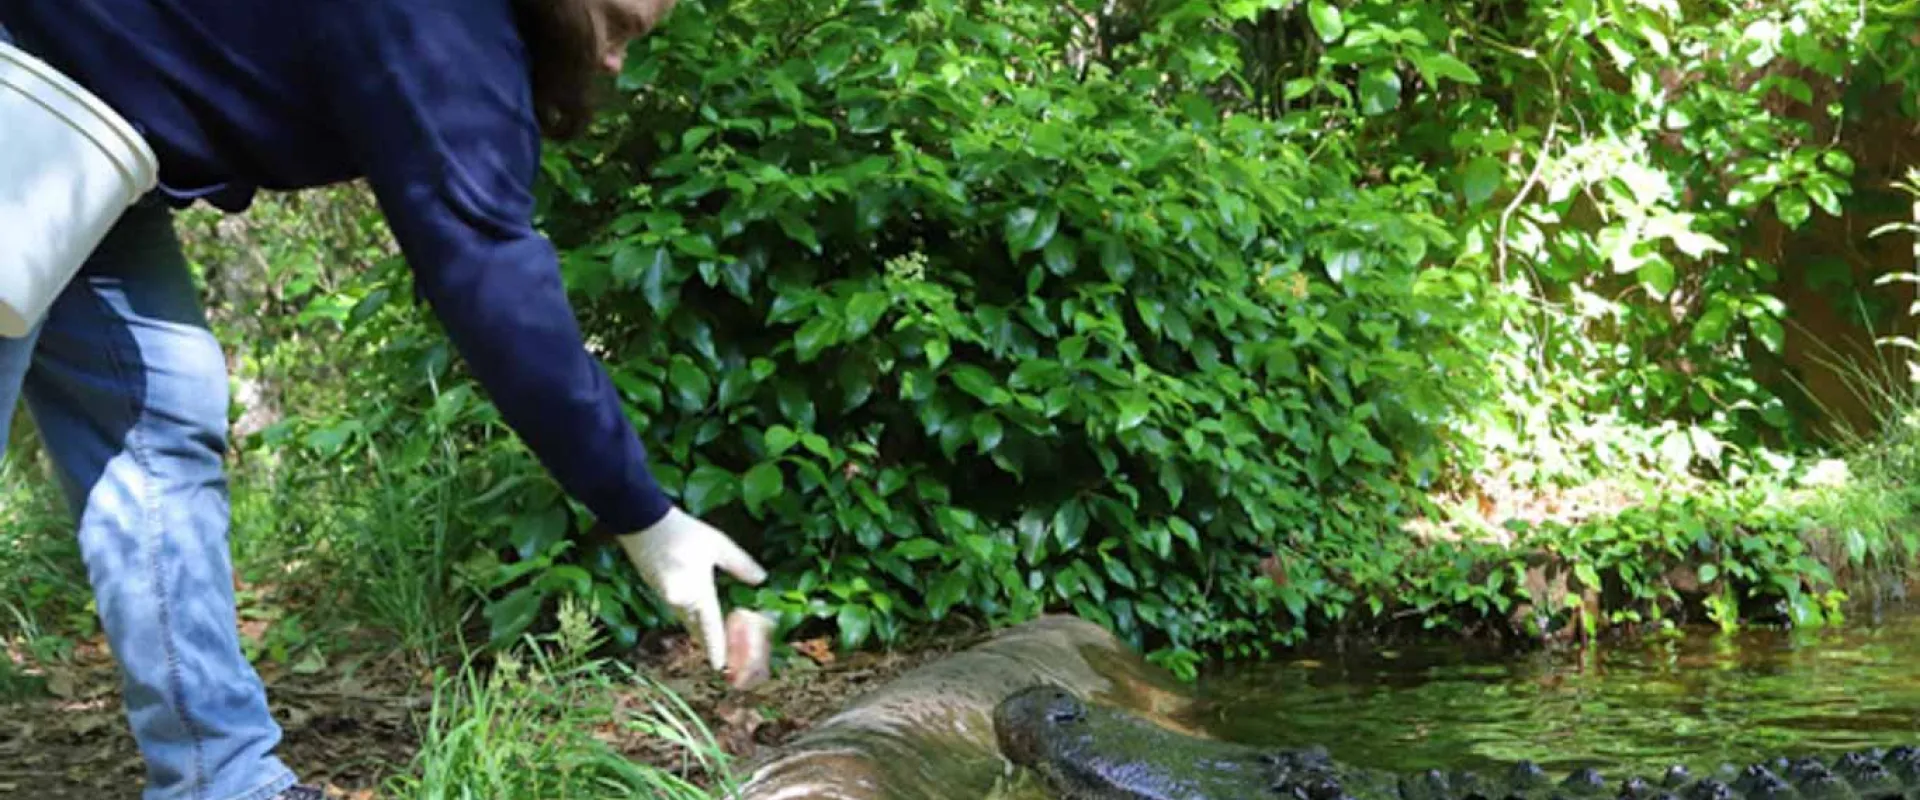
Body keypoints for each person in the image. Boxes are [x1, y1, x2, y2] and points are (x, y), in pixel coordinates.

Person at [0, 1, 768, 798]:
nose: (613, 64)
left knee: (165, 413)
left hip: (92, 135)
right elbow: (491, 273)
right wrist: (645, 517)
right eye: (617, 29)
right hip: (22, 89)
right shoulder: (440, 23)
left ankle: (223, 780)